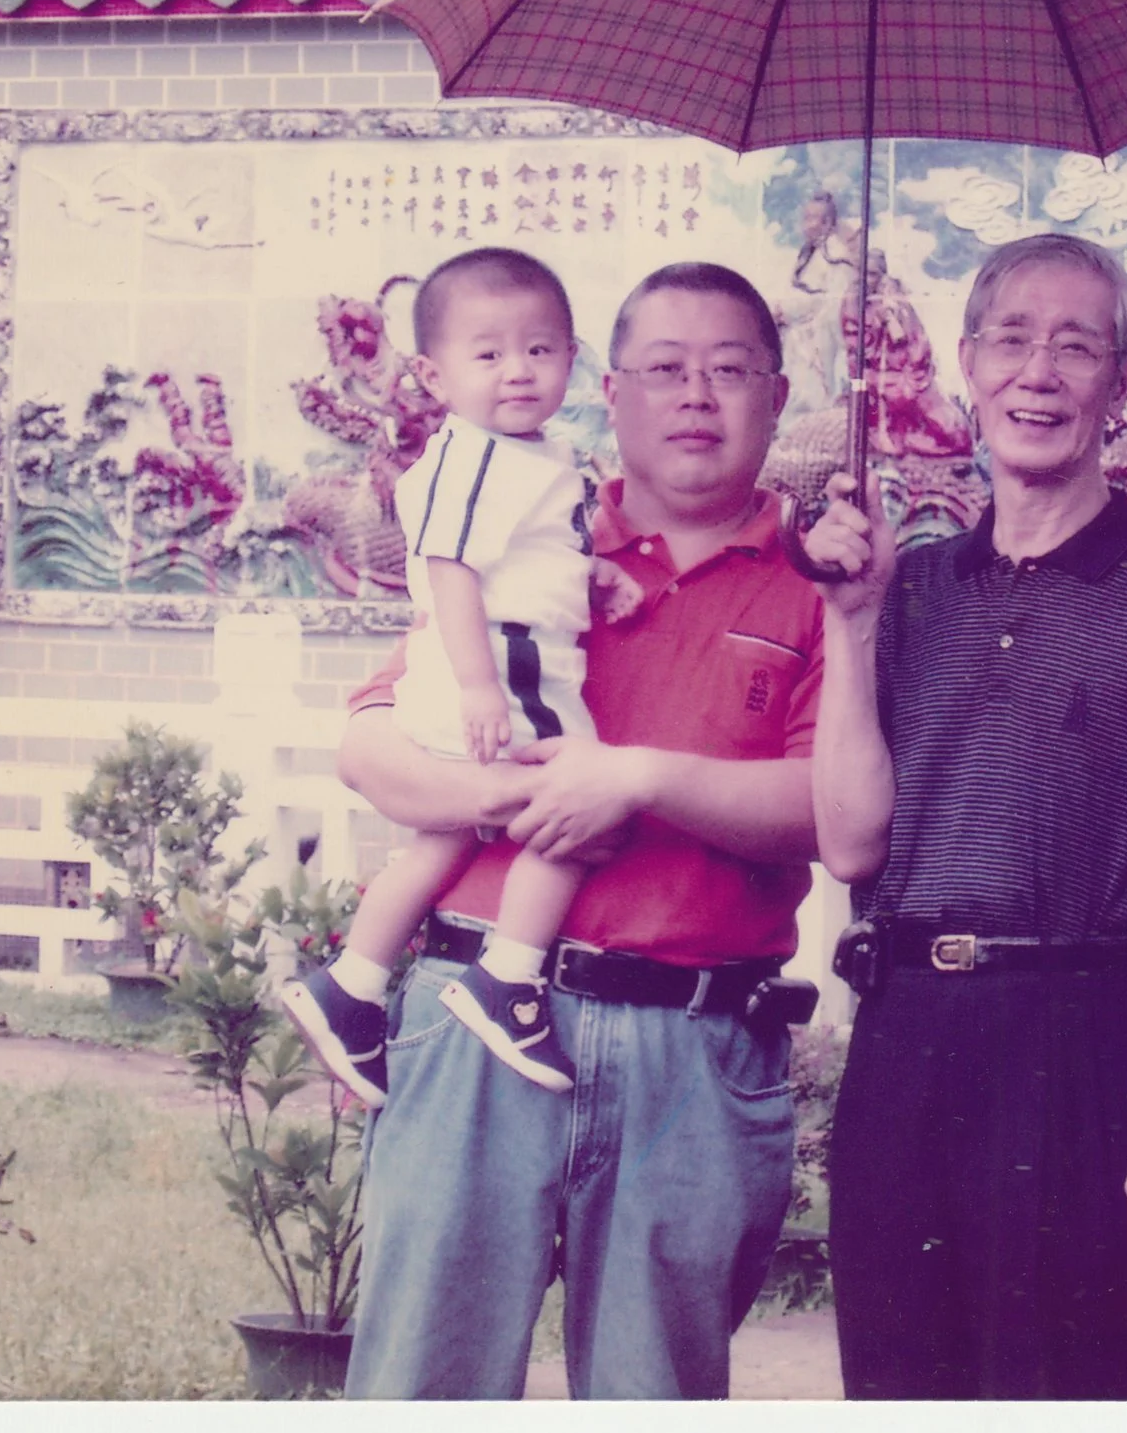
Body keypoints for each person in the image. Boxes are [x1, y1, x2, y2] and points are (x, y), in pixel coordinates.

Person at [803, 232, 1127, 1400]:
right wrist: (849, 622)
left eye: (1075, 346)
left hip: (1092, 1046)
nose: (1038, 372)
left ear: (1122, 380)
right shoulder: (912, 591)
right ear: (967, 363)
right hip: (909, 1046)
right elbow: (851, 842)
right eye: (1011, 339)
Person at [335, 260, 827, 1400]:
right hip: (476, 1015)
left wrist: (638, 783)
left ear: (777, 392)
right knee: (423, 1386)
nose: (694, 395)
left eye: (728, 369)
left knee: (652, 1392)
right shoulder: (537, 541)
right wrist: (508, 799)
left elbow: (832, 816)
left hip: (690, 1049)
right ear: (609, 389)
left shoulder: (818, 588)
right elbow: (368, 746)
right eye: (663, 368)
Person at [281, 247, 640, 1098]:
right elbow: (449, 566)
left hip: (504, 663)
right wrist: (480, 686)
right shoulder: (477, 455)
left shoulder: (529, 453)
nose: (518, 370)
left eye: (540, 350)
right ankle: (507, 977)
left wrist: (594, 574)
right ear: (432, 374)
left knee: (439, 839)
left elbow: (526, 556)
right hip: (507, 677)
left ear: (571, 357)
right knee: (577, 817)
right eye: (489, 354)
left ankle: (350, 984)